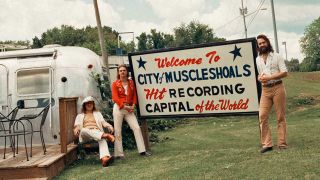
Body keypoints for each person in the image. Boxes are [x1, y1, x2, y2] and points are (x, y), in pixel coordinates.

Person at [256, 34, 288, 153]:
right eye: (260, 43)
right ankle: (267, 144)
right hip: (265, 90)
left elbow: (284, 72)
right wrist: (260, 78)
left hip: (277, 87)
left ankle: (282, 143)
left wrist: (270, 77)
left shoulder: (277, 56)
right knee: (262, 115)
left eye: (263, 42)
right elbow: (261, 74)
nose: (262, 45)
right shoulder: (257, 59)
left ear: (267, 43)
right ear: (258, 46)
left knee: (280, 116)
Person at [112, 64, 151, 159]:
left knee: (136, 128)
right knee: (118, 130)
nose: (122, 72)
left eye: (124, 70)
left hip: (129, 109)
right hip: (119, 109)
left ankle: (142, 150)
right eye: (120, 70)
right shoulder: (115, 84)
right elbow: (115, 98)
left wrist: (133, 105)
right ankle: (119, 154)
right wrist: (124, 106)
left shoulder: (131, 82)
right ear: (118, 72)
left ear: (127, 71)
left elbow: (134, 95)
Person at [73, 96, 115, 166]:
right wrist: (76, 129)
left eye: (91, 103)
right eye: (87, 103)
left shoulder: (98, 114)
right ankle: (106, 135)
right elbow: (76, 126)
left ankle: (104, 159)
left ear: (93, 105)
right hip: (85, 136)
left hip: (97, 134)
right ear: (84, 105)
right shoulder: (79, 116)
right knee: (83, 130)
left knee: (103, 140)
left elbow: (103, 122)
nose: (89, 105)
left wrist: (109, 126)